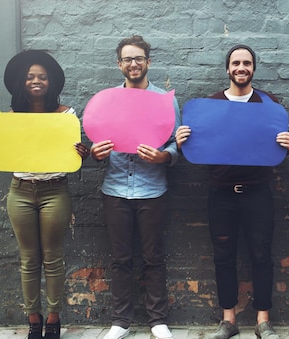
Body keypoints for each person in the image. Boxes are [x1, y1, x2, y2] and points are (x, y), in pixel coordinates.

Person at [175, 44, 289, 339]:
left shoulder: (269, 105)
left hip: (258, 193)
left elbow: (279, 147)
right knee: (223, 256)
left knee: (261, 254)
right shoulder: (211, 105)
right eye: (236, 63)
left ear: (253, 68)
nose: (241, 68)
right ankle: (228, 320)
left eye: (247, 63)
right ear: (227, 68)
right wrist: (182, 140)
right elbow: (197, 146)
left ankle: (263, 321)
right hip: (221, 193)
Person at [0, 50, 89, 339]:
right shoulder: (8, 118)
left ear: (51, 82)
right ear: (22, 82)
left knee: (54, 258)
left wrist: (80, 152)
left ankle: (54, 320)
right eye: (31, 77)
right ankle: (34, 319)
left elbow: (70, 151)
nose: (36, 81)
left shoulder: (66, 115)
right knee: (28, 259)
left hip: (55, 190)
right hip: (20, 191)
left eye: (42, 77)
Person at [89, 35, 180, 339]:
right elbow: (97, 141)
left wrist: (163, 156)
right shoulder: (107, 100)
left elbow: (174, 146)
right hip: (115, 189)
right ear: (119, 64)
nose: (133, 63)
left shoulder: (165, 100)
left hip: (152, 189)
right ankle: (120, 322)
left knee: (154, 257)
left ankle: (157, 321)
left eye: (138, 58)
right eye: (127, 59)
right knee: (120, 259)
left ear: (148, 62)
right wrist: (96, 153)